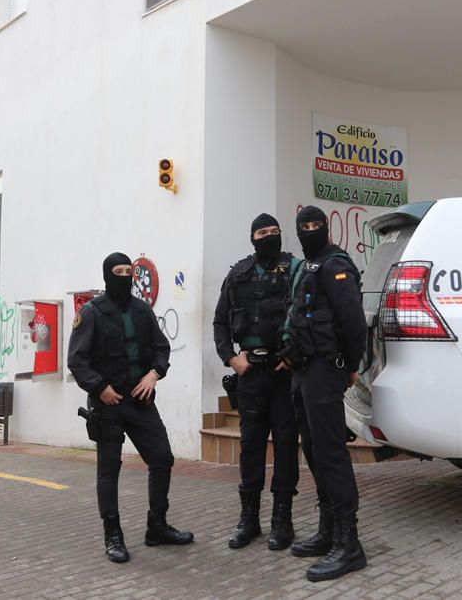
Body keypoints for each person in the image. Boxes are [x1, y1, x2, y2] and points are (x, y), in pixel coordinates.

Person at [68, 252, 194, 564]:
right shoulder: (92, 313)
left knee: (162, 458)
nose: (124, 276)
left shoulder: (142, 310)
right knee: (109, 470)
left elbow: (162, 348)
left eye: (129, 271)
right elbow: (77, 360)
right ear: (107, 275)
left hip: (140, 401)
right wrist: (100, 388)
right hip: (107, 404)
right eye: (118, 271)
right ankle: (113, 535)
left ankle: (157, 526)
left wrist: (154, 374)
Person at [281, 205, 368, 582]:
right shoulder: (306, 267)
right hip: (303, 371)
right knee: (313, 450)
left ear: (327, 229)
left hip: (325, 369)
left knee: (331, 453)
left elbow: (351, 320)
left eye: (317, 225)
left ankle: (349, 546)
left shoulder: (336, 264)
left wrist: (350, 365)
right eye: (305, 226)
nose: (310, 230)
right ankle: (328, 530)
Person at [212, 213, 300, 550]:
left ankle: (283, 521)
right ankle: (249, 519)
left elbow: (306, 314)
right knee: (250, 447)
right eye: (262, 232)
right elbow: (220, 323)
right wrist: (231, 358)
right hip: (250, 375)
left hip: (284, 374)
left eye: (274, 232)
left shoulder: (294, 270)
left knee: (286, 445)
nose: (268, 237)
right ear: (252, 237)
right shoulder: (238, 274)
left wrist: (294, 356)